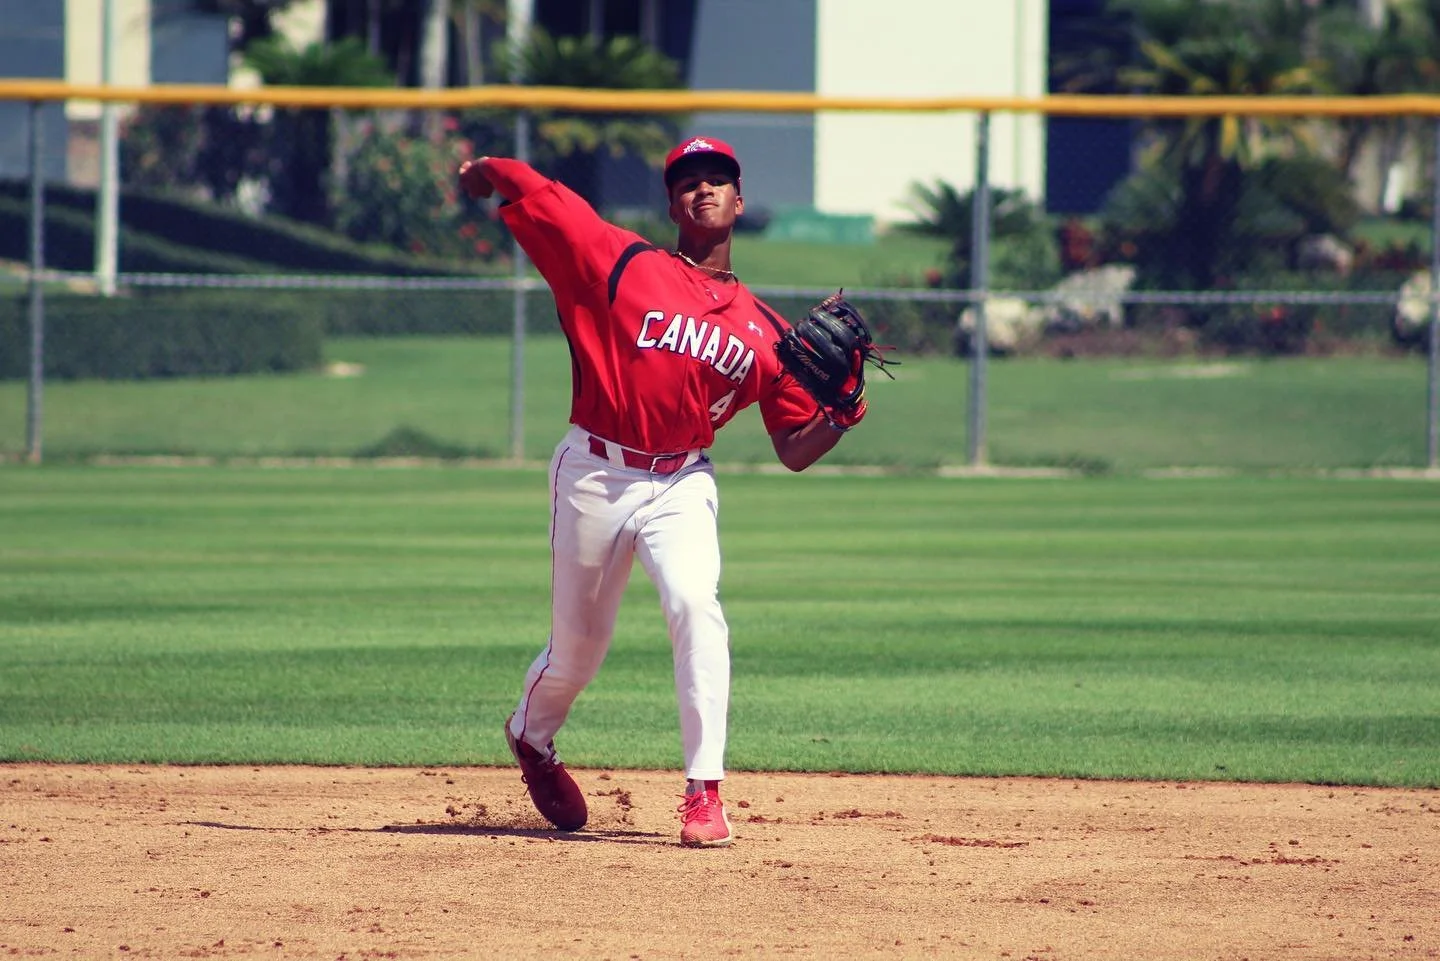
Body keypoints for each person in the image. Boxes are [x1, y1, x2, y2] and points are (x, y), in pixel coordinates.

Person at [458, 135, 869, 848]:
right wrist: (487, 171)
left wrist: (840, 414)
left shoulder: (767, 333)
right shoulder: (620, 260)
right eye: (687, 182)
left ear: (739, 201)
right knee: (577, 652)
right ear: (673, 205)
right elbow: (547, 196)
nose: (702, 189)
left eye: (717, 180)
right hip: (594, 472)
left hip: (683, 478)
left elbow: (792, 449)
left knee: (695, 604)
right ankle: (531, 736)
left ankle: (704, 792)